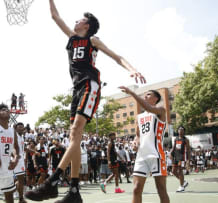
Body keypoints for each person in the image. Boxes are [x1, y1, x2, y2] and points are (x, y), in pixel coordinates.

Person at [24, 0, 145, 202]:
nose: (75, 21)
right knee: (75, 139)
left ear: (86, 25)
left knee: (74, 133)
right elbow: (55, 16)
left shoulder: (93, 40)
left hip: (90, 85)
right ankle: (73, 191)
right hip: (77, 89)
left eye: (79, 19)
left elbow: (117, 57)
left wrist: (132, 69)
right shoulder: (71, 38)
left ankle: (52, 182)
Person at [119, 86, 170, 203]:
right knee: (136, 189)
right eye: (145, 95)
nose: (145, 96)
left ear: (155, 98)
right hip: (141, 156)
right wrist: (135, 141)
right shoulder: (140, 116)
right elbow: (138, 134)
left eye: (148, 95)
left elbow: (148, 107)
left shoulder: (161, 111)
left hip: (156, 155)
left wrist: (132, 93)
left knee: (161, 189)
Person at [170, 126, 190, 192]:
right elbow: (173, 148)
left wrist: (188, 160)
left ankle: (181, 187)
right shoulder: (176, 139)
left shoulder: (186, 140)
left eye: (182, 129)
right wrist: (171, 153)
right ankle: (183, 182)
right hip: (176, 157)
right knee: (173, 171)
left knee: (180, 171)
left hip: (182, 157)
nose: (180, 130)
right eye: (179, 129)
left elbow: (188, 151)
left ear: (184, 131)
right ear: (178, 131)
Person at [13, 122, 27, 203]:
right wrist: (15, 156)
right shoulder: (14, 136)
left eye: (22, 127)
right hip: (15, 159)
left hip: (20, 159)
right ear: (16, 128)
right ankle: (20, 198)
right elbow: (13, 148)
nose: (21, 128)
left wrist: (33, 151)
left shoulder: (21, 137)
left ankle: (20, 198)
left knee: (20, 180)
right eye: (19, 127)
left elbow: (23, 148)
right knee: (20, 180)